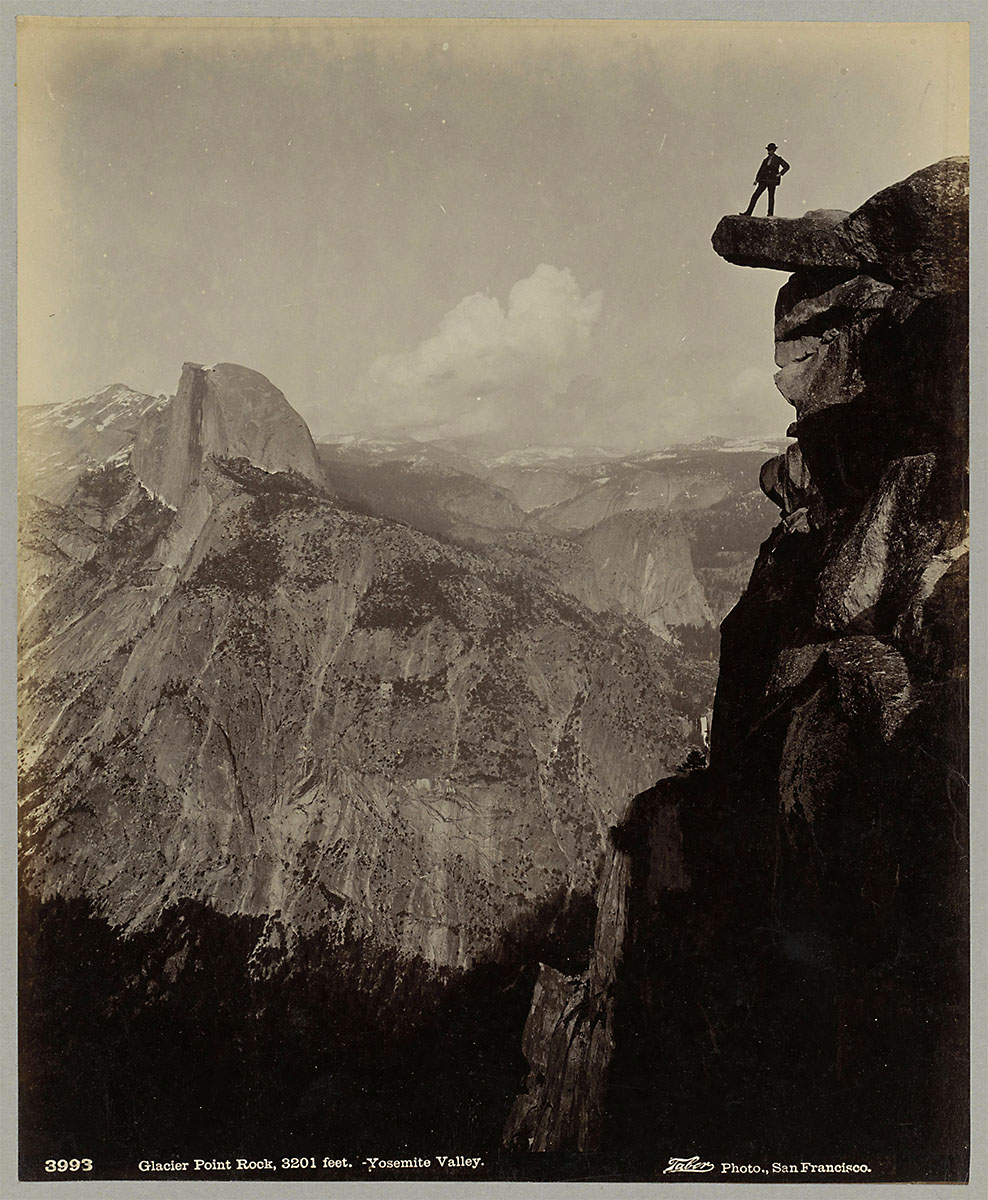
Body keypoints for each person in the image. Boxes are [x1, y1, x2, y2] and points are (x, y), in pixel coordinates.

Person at [741, 142, 790, 216]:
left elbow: (787, 166)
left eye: (770, 150)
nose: (768, 151)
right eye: (768, 150)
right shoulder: (765, 160)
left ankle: (770, 214)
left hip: (772, 181)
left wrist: (780, 174)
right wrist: (756, 180)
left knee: (771, 197)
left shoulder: (778, 159)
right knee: (755, 196)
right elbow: (761, 170)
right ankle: (748, 212)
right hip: (763, 180)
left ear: (774, 150)